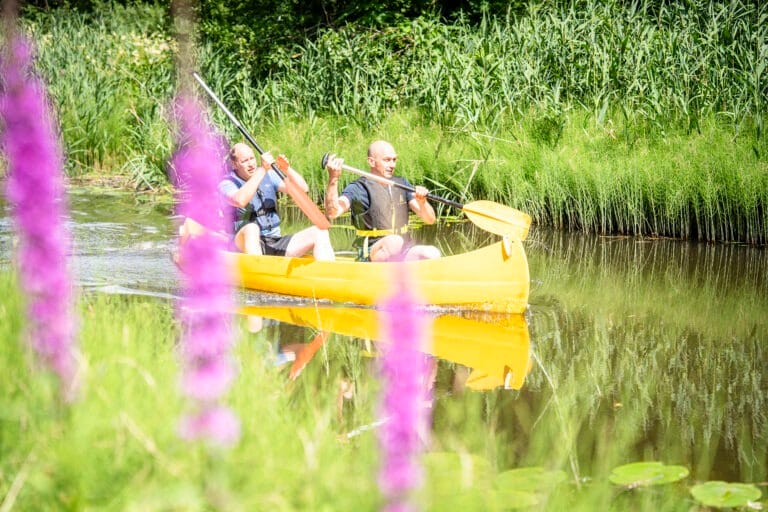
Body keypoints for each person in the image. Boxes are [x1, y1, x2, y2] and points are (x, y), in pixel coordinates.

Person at [324, 140, 441, 262]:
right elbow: (332, 213)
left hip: (403, 249)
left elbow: (430, 219)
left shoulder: (402, 184)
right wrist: (333, 179)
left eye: (394, 160)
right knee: (394, 242)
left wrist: (422, 203)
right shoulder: (358, 188)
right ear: (371, 162)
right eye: (387, 160)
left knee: (432, 253)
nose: (392, 165)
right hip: (371, 251)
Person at [218, 142, 335, 260]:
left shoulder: (269, 175)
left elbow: (303, 189)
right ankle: (258, 268)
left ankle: (328, 270)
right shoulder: (226, 183)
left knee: (320, 233)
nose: (251, 164)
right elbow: (240, 201)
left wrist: (286, 169)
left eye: (252, 158)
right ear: (234, 164)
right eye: (244, 161)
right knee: (252, 228)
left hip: (274, 241)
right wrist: (262, 169)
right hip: (243, 244)